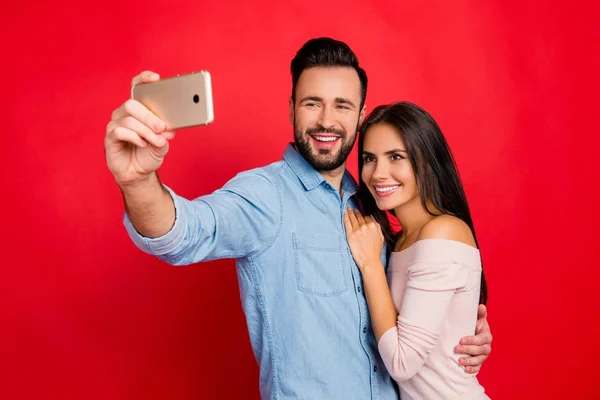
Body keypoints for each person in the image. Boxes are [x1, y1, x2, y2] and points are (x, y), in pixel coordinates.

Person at [104, 38, 492, 399]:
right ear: (291, 108)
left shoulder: (371, 205)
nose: (326, 120)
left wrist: (456, 335)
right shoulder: (264, 195)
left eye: (342, 105)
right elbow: (185, 233)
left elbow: (409, 318)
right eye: (312, 103)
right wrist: (138, 181)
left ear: (360, 116)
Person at [343, 101, 490, 399]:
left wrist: (370, 265)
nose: (378, 173)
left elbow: (401, 362)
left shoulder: (443, 231)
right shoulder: (400, 243)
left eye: (396, 157)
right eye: (370, 158)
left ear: (426, 162)